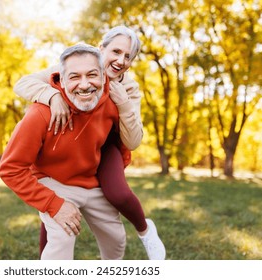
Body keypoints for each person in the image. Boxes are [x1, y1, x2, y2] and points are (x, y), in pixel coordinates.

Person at [13, 26, 166, 260]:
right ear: (101, 48)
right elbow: (23, 84)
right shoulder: (78, 67)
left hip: (106, 143)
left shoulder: (129, 88)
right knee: (57, 197)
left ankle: (145, 231)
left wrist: (123, 103)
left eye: (128, 56)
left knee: (118, 193)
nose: (120, 60)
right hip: (70, 140)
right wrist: (52, 96)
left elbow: (134, 139)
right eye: (115, 51)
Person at [0, 44, 127, 260]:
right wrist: (53, 204)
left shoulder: (111, 107)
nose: (85, 84)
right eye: (75, 77)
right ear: (63, 80)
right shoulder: (39, 114)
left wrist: (113, 178)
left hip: (92, 183)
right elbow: (10, 169)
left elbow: (119, 146)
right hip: (53, 181)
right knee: (62, 237)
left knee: (116, 238)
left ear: (104, 77)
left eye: (92, 75)